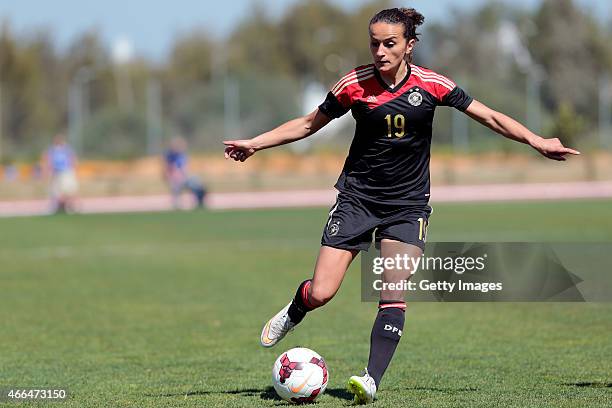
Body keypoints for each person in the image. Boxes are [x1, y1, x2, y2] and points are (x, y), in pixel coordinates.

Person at [223, 7, 579, 404]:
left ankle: (370, 379)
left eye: (389, 43)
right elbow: (309, 124)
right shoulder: (354, 84)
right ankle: (295, 309)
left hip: (408, 206)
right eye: (374, 43)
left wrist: (537, 141)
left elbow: (489, 116)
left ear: (410, 45)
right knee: (322, 292)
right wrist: (255, 142)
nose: (380, 51)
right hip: (357, 200)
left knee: (393, 291)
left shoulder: (432, 84)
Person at [163, 136, 206, 209]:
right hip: (174, 179)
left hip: (184, 177)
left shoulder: (182, 155)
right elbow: (168, 170)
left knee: (197, 182)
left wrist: (183, 175)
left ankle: (200, 202)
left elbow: (184, 169)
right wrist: (172, 176)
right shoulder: (169, 156)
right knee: (175, 186)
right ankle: (176, 205)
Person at [42, 133, 79, 214]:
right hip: (56, 172)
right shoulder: (52, 150)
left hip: (66, 171)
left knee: (68, 190)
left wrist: (74, 167)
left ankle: (69, 206)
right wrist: (47, 170)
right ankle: (59, 206)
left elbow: (73, 158)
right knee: (56, 191)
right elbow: (48, 160)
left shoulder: (67, 149)